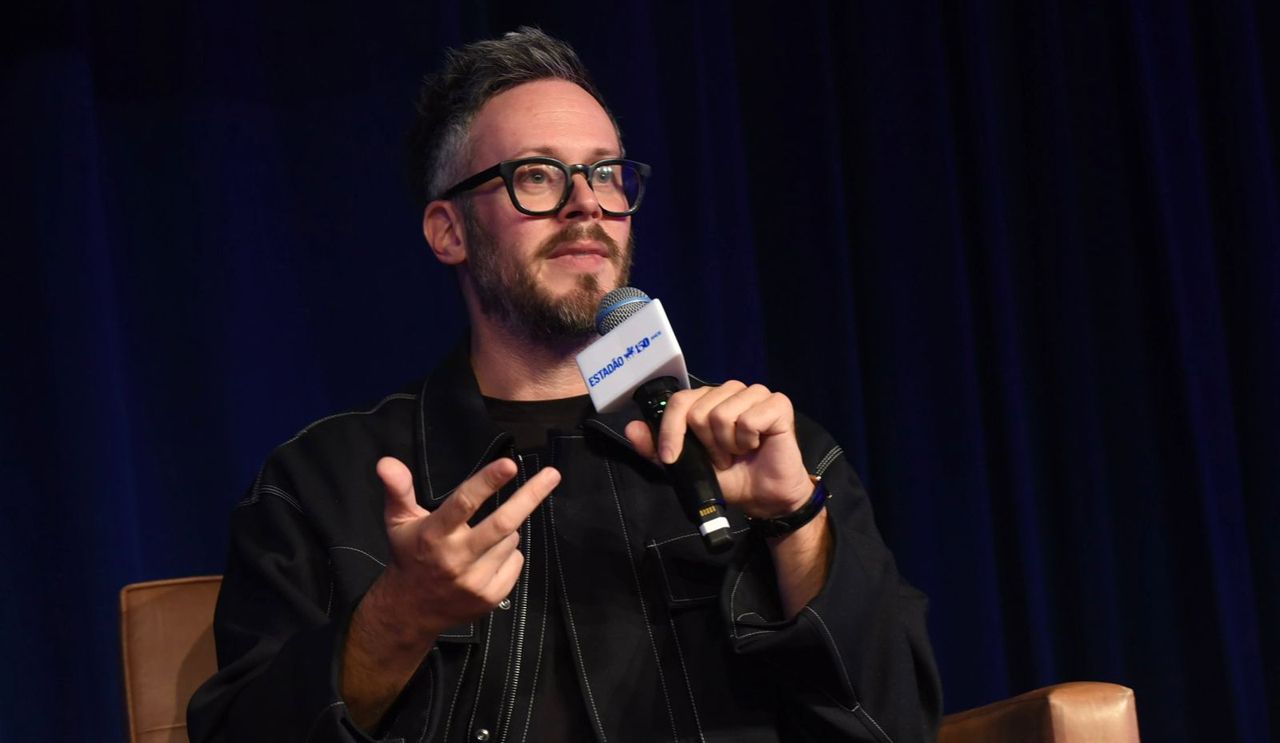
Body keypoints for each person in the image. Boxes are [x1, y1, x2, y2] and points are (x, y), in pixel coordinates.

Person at [188, 27, 941, 743]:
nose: (587, 203)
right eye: (537, 176)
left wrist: (794, 520)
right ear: (448, 230)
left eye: (606, 174)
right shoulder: (323, 484)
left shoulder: (765, 449)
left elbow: (898, 725)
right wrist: (400, 615)